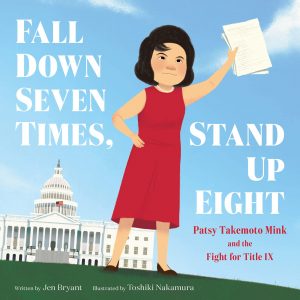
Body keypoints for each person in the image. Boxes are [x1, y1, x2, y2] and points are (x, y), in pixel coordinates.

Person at [105, 25, 237, 275]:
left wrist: (229, 60)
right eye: (162, 57)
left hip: (168, 159)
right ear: (149, 61)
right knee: (128, 210)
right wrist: (132, 135)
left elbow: (209, 84)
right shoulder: (145, 95)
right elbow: (118, 116)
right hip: (143, 156)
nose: (170, 65)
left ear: (186, 67)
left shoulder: (182, 96)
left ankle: (162, 262)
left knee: (163, 213)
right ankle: (114, 260)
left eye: (179, 59)